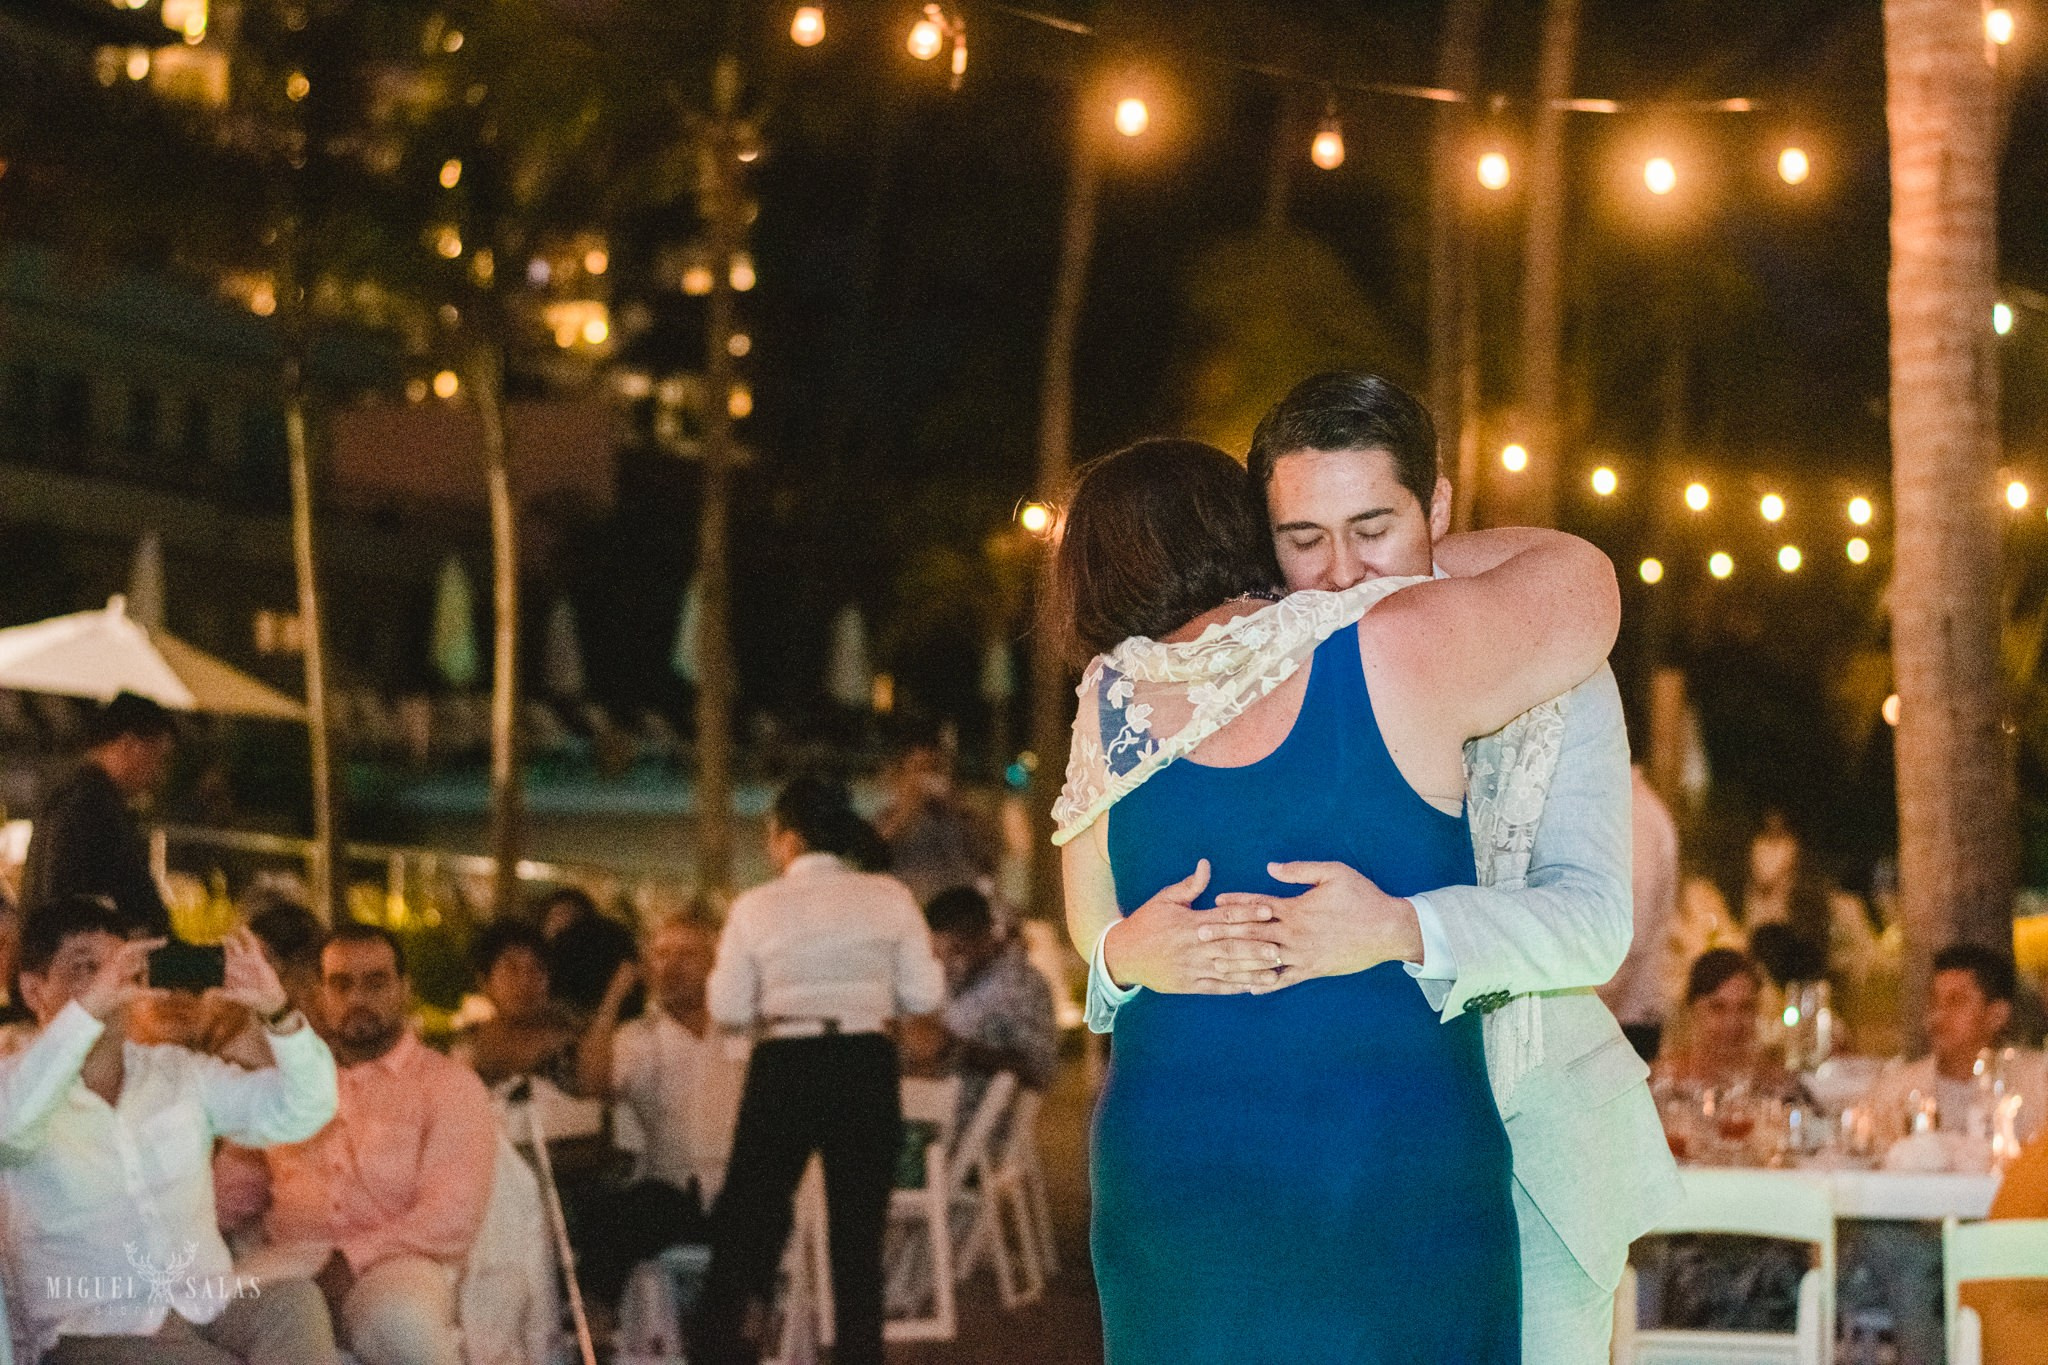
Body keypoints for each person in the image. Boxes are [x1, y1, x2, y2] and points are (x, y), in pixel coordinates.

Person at [1066, 374, 1679, 1363]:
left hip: (1539, 1138)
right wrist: (1123, 954)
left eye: (1372, 527)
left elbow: (1595, 921)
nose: (1344, 571)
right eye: (1303, 539)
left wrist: (1404, 926)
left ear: (1436, 507)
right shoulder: (1233, 676)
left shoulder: (1557, 658)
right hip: (1326, 1155)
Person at [0, 896, 339, 1364]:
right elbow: (9, 1132)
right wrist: (87, 1013)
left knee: (295, 1303)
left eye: (120, 968)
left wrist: (277, 1011)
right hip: (93, 1328)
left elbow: (306, 1109)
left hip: (205, 1301)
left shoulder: (177, 1071)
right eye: (86, 968)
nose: (110, 984)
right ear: (34, 990)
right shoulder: (15, 1084)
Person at [688, 778, 945, 1365]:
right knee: (857, 1238)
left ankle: (721, 1348)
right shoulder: (889, 896)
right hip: (864, 1060)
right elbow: (924, 993)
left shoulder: (754, 906)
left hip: (784, 1060)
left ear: (787, 838)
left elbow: (728, 1008)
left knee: (749, 1222)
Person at [255, 922, 498, 1365]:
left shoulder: (448, 1086)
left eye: (375, 982)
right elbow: (232, 1190)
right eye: (341, 984)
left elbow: (450, 1218)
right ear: (321, 994)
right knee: (191, 1306)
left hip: (399, 1263)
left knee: (401, 1321)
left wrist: (347, 1262)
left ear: (405, 989)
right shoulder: (288, 1083)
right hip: (289, 1261)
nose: (357, 998)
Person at [574, 915, 749, 1304]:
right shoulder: (639, 1037)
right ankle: (597, 1322)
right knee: (615, 1212)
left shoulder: (744, 1030)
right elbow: (592, 1085)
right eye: (660, 955)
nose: (671, 967)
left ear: (715, 963)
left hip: (742, 1193)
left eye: (686, 955)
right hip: (673, 1195)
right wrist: (613, 1000)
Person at [20, 692, 179, 938]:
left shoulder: (76, 797)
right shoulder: (89, 805)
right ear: (130, 745)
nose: (160, 774)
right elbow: (65, 900)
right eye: (159, 758)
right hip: (89, 951)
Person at [1867, 943, 2048, 1142]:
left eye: (1955, 1001)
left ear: (1997, 1015)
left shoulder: (2039, 1084)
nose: (1937, 1015)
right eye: (1934, 1002)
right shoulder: (1894, 1091)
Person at [923, 884, 1058, 1129]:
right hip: (947, 1114)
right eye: (939, 954)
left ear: (983, 936)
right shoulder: (969, 979)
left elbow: (1037, 1070)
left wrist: (953, 1048)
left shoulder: (1020, 984)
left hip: (981, 1127)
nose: (947, 962)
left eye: (956, 950)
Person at [874, 720, 1000, 907]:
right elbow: (874, 852)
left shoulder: (959, 816)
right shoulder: (887, 816)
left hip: (961, 904)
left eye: (934, 769)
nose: (928, 778)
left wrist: (960, 809)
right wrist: (909, 809)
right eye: (919, 770)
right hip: (913, 904)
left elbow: (989, 856)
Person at [1650, 949, 1803, 1102]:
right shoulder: (1663, 1081)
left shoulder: (1778, 1083)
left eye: (1745, 1007)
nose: (1732, 1022)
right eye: (1717, 1007)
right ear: (1693, 1009)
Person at [1604, 765, 1681, 1059]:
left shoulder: (1636, 816)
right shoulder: (1628, 807)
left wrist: (1592, 1006)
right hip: (1622, 1012)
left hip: (1625, 1014)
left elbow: (1632, 926)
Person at [450, 918, 579, 1088]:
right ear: (485, 981)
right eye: (512, 969)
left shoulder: (570, 1045)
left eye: (537, 969)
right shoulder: (468, 1046)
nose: (525, 982)